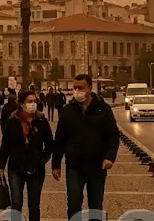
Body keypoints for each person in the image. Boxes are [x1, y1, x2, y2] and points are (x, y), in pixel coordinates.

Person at [51, 74, 119, 219]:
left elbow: (113, 135)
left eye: (80, 88)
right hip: (74, 165)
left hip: (97, 165)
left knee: (95, 205)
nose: (76, 91)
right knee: (74, 204)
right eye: (74, 87)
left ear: (89, 88)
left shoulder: (103, 109)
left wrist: (109, 157)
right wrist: (56, 164)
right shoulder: (68, 110)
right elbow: (60, 138)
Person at [0, 91, 54, 221]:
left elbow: (50, 144)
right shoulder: (13, 121)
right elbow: (5, 145)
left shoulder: (41, 121)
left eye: (35, 101)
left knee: (34, 204)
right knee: (16, 203)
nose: (33, 104)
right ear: (22, 104)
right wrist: (0, 166)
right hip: (16, 167)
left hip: (36, 168)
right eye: (29, 101)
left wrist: (42, 159)